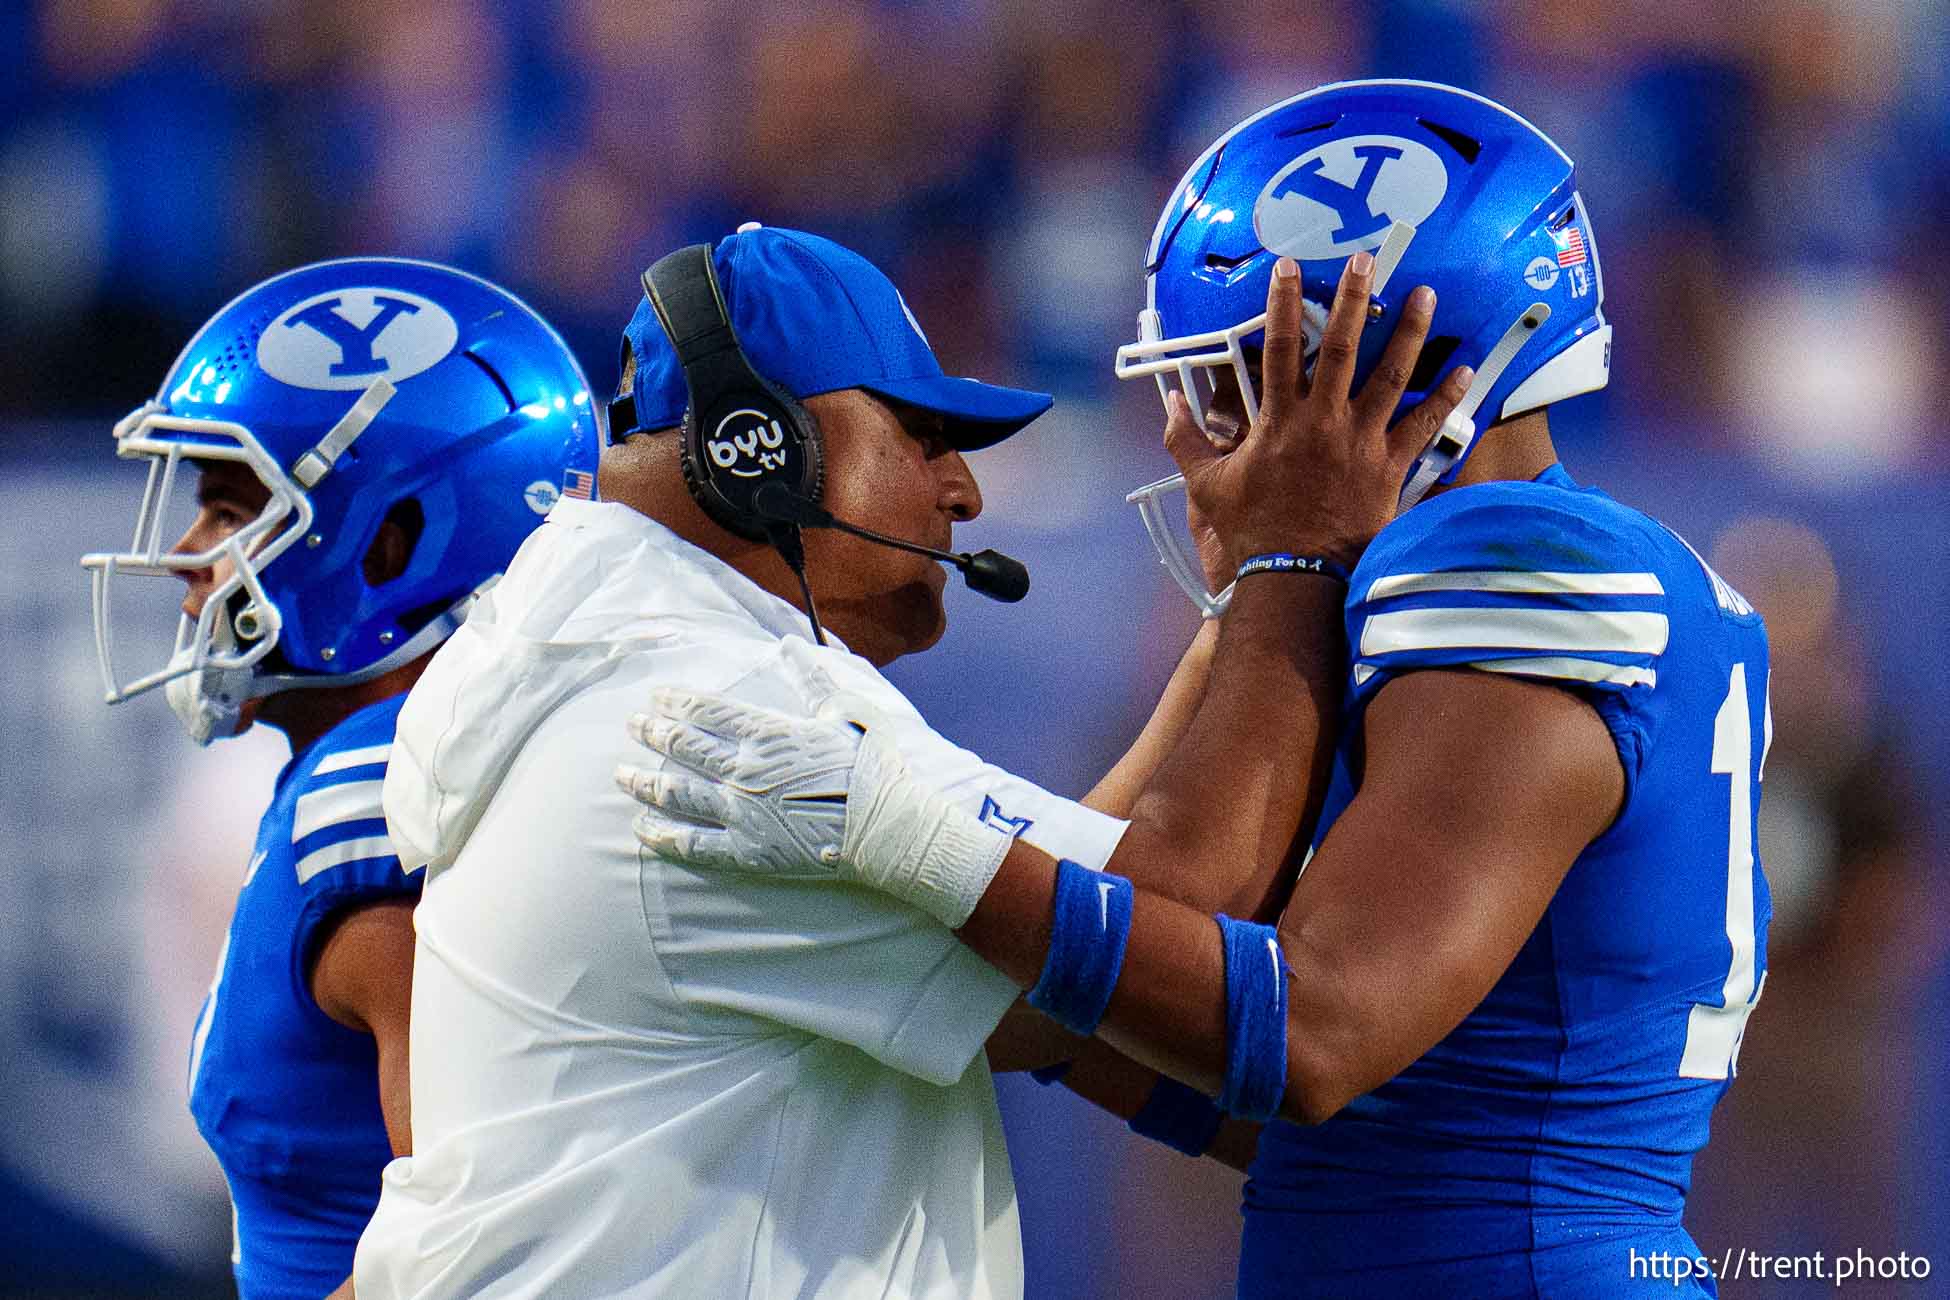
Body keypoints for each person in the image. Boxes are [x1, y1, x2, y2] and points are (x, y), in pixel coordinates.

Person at [618, 81, 1771, 1298]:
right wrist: (1000, 993)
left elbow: (1318, 1031)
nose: (1189, 439)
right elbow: (1333, 1119)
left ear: (1385, 365)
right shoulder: (1526, 568)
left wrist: (916, 844)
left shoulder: (1505, 557)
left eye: (1229, 380)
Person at [81, 258, 601, 1299]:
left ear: (392, 541)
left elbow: (480, 1258)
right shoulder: (354, 772)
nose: (188, 554)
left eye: (233, 511)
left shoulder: (389, 798)